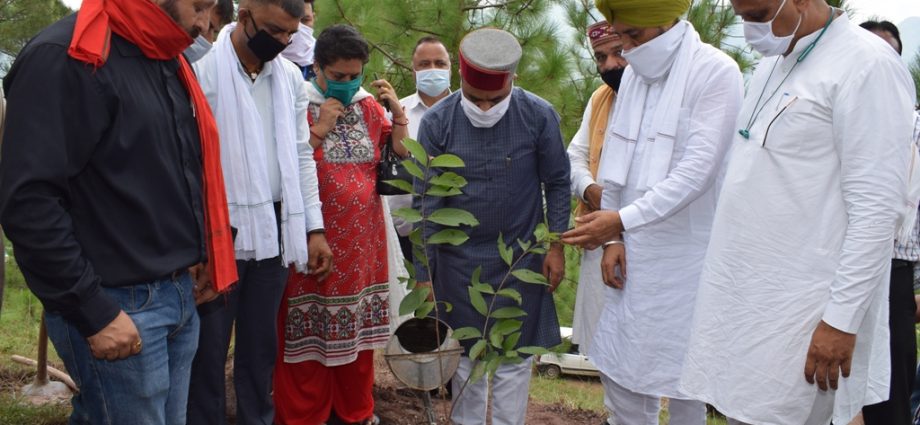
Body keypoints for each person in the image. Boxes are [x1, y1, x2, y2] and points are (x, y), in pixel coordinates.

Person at [0, 0, 239, 423]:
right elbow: (29, 202)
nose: (203, 25)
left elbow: (176, 172)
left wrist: (199, 251)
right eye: (199, 7)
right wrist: (93, 311)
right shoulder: (67, 57)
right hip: (118, 304)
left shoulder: (162, 56)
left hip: (178, 294)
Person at [678, 0, 916, 424]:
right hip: (747, 301)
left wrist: (840, 321)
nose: (751, 27)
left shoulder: (868, 65)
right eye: (742, 15)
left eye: (760, 13)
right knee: (744, 413)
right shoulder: (774, 63)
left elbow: (877, 210)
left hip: (804, 313)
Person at [560, 1, 743, 423]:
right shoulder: (637, 78)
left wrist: (621, 220)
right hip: (629, 252)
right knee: (623, 369)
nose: (626, 48)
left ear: (666, 24)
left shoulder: (716, 71)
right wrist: (613, 238)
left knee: (686, 379)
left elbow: (697, 172)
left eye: (633, 37)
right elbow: (615, 169)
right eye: (621, 37)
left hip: (691, 259)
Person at [415, 27, 570, 425]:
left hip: (521, 259)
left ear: (511, 82)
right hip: (457, 262)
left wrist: (555, 246)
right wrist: (423, 275)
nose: (484, 109)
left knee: (514, 361)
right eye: (475, 99)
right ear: (462, 81)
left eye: (494, 99)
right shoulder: (438, 122)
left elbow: (556, 182)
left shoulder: (538, 115)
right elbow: (426, 203)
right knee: (465, 359)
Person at [187, 1, 333, 424]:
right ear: (245, 13)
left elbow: (302, 156)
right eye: (275, 30)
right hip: (217, 231)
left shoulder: (288, 77)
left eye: (291, 34)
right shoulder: (203, 69)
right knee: (208, 349)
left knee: (259, 348)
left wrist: (314, 226)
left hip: (273, 229)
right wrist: (196, 240)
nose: (284, 41)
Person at [272, 24, 409, 425]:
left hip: (363, 244)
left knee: (357, 344)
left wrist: (397, 112)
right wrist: (319, 130)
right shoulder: (298, 102)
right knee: (303, 342)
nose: (347, 84)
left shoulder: (368, 107)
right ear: (316, 67)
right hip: (312, 241)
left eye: (355, 76)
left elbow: (400, 149)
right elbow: (284, 167)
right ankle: (302, 417)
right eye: (338, 77)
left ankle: (354, 413)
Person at [566, 20, 625, 425]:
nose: (610, 64)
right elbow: (575, 156)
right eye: (601, 57)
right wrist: (591, 192)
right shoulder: (600, 98)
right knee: (607, 346)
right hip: (600, 231)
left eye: (618, 52)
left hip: (649, 239)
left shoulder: (668, 96)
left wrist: (620, 208)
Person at [860, 20, 918, 425]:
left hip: (896, 272)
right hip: (834, 268)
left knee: (891, 388)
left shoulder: (915, 127)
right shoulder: (836, 118)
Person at [388, 36, 454, 262]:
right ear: (413, 71)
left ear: (450, 68)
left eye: (440, 63)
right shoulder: (395, 112)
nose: (433, 69)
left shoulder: (468, 112)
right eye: (424, 64)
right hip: (407, 231)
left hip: (457, 229)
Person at [281, 0, 316, 80]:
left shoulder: (326, 58)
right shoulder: (266, 62)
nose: (298, 27)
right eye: (290, 19)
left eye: (305, 20)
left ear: (313, 18)